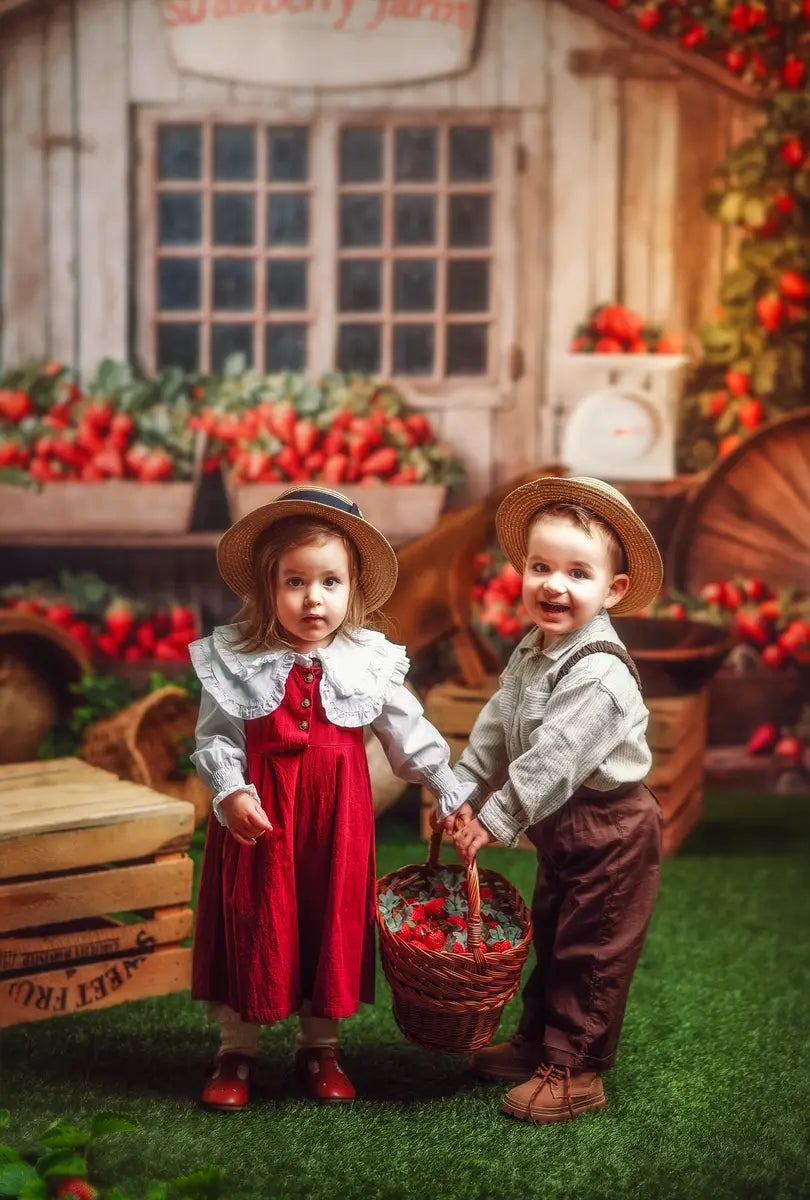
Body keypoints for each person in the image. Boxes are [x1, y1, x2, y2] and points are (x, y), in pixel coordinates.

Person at [189, 485, 462, 1112]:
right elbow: (215, 738)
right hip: (261, 816)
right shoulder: (237, 658)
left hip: (338, 819)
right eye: (295, 582)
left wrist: (445, 787)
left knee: (329, 916)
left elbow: (408, 730)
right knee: (254, 917)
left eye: (330, 583)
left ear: (353, 587)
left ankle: (321, 1046)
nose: (314, 599)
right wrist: (230, 791)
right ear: (266, 587)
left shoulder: (368, 661)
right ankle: (237, 1049)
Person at [435, 476, 664, 1125]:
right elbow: (497, 723)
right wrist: (463, 785)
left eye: (577, 572)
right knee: (557, 931)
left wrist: (495, 817)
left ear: (612, 590)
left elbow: (554, 758)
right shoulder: (535, 648)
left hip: (612, 829)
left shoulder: (600, 671)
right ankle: (541, 1039)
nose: (553, 585)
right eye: (541, 567)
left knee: (593, 948)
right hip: (562, 824)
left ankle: (578, 1067)